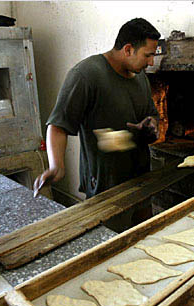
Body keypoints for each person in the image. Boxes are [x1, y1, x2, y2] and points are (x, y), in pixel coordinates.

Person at [33, 18, 161, 229]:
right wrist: (57, 165)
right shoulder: (86, 75)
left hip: (140, 179)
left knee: (143, 237)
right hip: (106, 184)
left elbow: (151, 113)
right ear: (128, 49)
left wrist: (151, 124)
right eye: (147, 55)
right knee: (110, 246)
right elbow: (58, 125)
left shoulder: (140, 77)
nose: (151, 63)